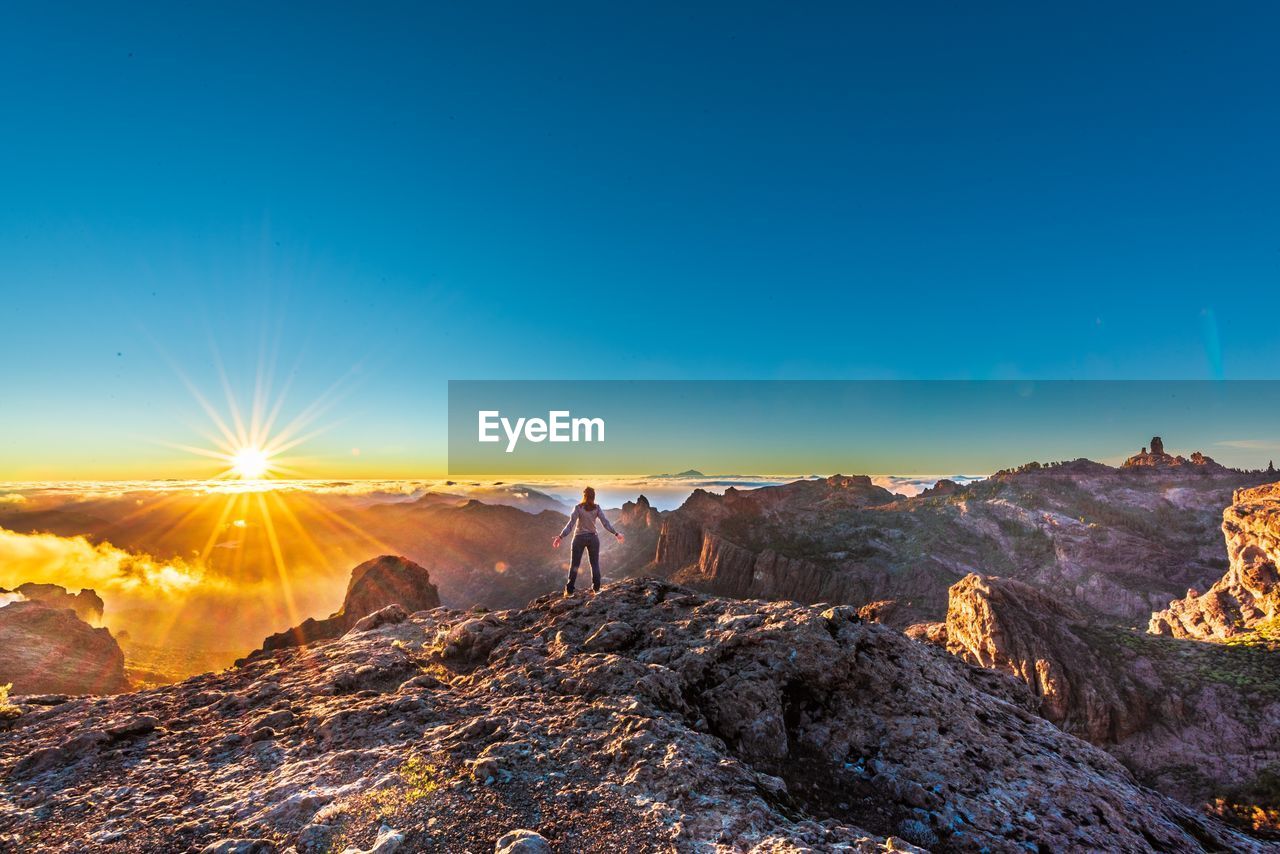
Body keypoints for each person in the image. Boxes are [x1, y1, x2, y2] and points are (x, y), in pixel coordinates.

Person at [553, 486, 623, 595]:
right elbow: (605, 523)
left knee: (574, 565)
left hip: (579, 538)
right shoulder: (597, 508)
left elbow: (570, 525)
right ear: (594, 497)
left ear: (584, 496)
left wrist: (560, 537)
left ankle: (569, 591)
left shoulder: (578, 508)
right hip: (593, 538)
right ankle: (596, 589)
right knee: (594, 564)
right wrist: (616, 533)